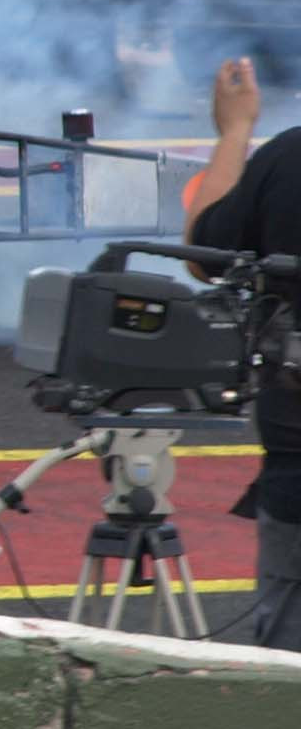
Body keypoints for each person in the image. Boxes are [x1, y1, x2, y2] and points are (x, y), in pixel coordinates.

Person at [184, 56, 301, 650]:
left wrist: (234, 131)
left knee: (288, 672)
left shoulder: (289, 158)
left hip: (296, 461)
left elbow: (205, 253)